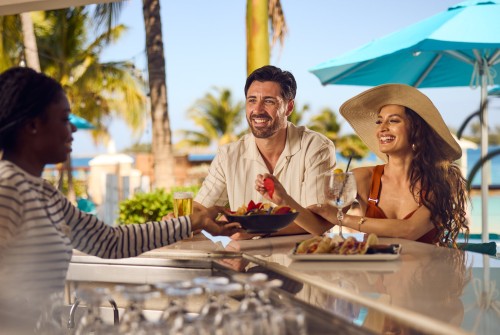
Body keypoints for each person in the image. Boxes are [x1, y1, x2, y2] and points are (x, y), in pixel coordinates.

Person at [0, 67, 239, 330]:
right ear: (32, 125)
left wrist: (195, 221)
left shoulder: (44, 194)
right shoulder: (8, 188)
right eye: (64, 119)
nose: (72, 130)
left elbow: (110, 241)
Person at [257, 84, 469, 246]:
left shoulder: (442, 181)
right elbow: (318, 226)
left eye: (393, 121)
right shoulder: (361, 178)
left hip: (430, 287)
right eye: (379, 121)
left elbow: (410, 230)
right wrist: (284, 198)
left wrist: (343, 219)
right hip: (381, 291)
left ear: (416, 130)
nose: (382, 128)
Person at [194, 65, 336, 238]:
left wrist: (253, 230)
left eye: (269, 101)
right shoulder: (228, 155)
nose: (258, 110)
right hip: (245, 261)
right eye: (252, 100)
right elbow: (202, 209)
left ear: (289, 108)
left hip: (302, 259)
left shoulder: (316, 147)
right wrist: (180, 220)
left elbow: (319, 223)